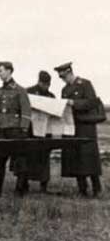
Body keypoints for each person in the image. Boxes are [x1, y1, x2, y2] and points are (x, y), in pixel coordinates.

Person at [0, 61, 32, 198]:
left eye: (1, 70)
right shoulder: (0, 91)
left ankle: (20, 190)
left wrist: (23, 129)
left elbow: (26, 111)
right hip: (2, 130)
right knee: (0, 161)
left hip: (15, 130)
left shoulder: (20, 90)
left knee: (20, 161)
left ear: (9, 71)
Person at [54, 62, 103, 197]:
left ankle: (96, 189)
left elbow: (92, 102)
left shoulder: (85, 84)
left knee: (89, 158)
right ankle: (82, 189)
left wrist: (74, 103)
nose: (64, 80)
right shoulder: (64, 90)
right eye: (62, 78)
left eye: (64, 77)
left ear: (70, 72)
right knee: (75, 158)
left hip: (86, 127)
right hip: (71, 127)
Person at [25, 70, 55, 193]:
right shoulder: (29, 92)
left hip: (45, 133)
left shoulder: (51, 96)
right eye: (44, 84)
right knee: (28, 158)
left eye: (48, 84)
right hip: (30, 131)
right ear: (39, 82)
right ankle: (24, 184)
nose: (46, 87)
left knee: (44, 159)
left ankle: (44, 186)